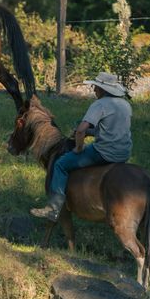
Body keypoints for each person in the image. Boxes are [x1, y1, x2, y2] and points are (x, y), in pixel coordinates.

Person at [30, 72, 132, 220]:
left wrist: (78, 147)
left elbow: (80, 130)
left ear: (103, 89)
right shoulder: (125, 105)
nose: (94, 89)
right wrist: (91, 132)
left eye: (96, 87)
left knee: (61, 164)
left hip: (105, 153)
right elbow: (111, 129)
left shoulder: (99, 104)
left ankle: (53, 208)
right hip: (124, 152)